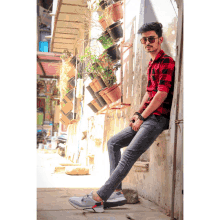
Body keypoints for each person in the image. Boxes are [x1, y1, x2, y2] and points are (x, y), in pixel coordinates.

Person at [68, 22, 175, 213]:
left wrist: (143, 116)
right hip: (147, 117)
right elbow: (148, 93)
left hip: (158, 119)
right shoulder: (152, 63)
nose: (148, 43)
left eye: (151, 39)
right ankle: (116, 192)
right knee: (113, 143)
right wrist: (137, 114)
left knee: (129, 155)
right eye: (144, 40)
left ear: (160, 39)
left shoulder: (167, 62)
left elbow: (161, 95)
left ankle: (98, 197)